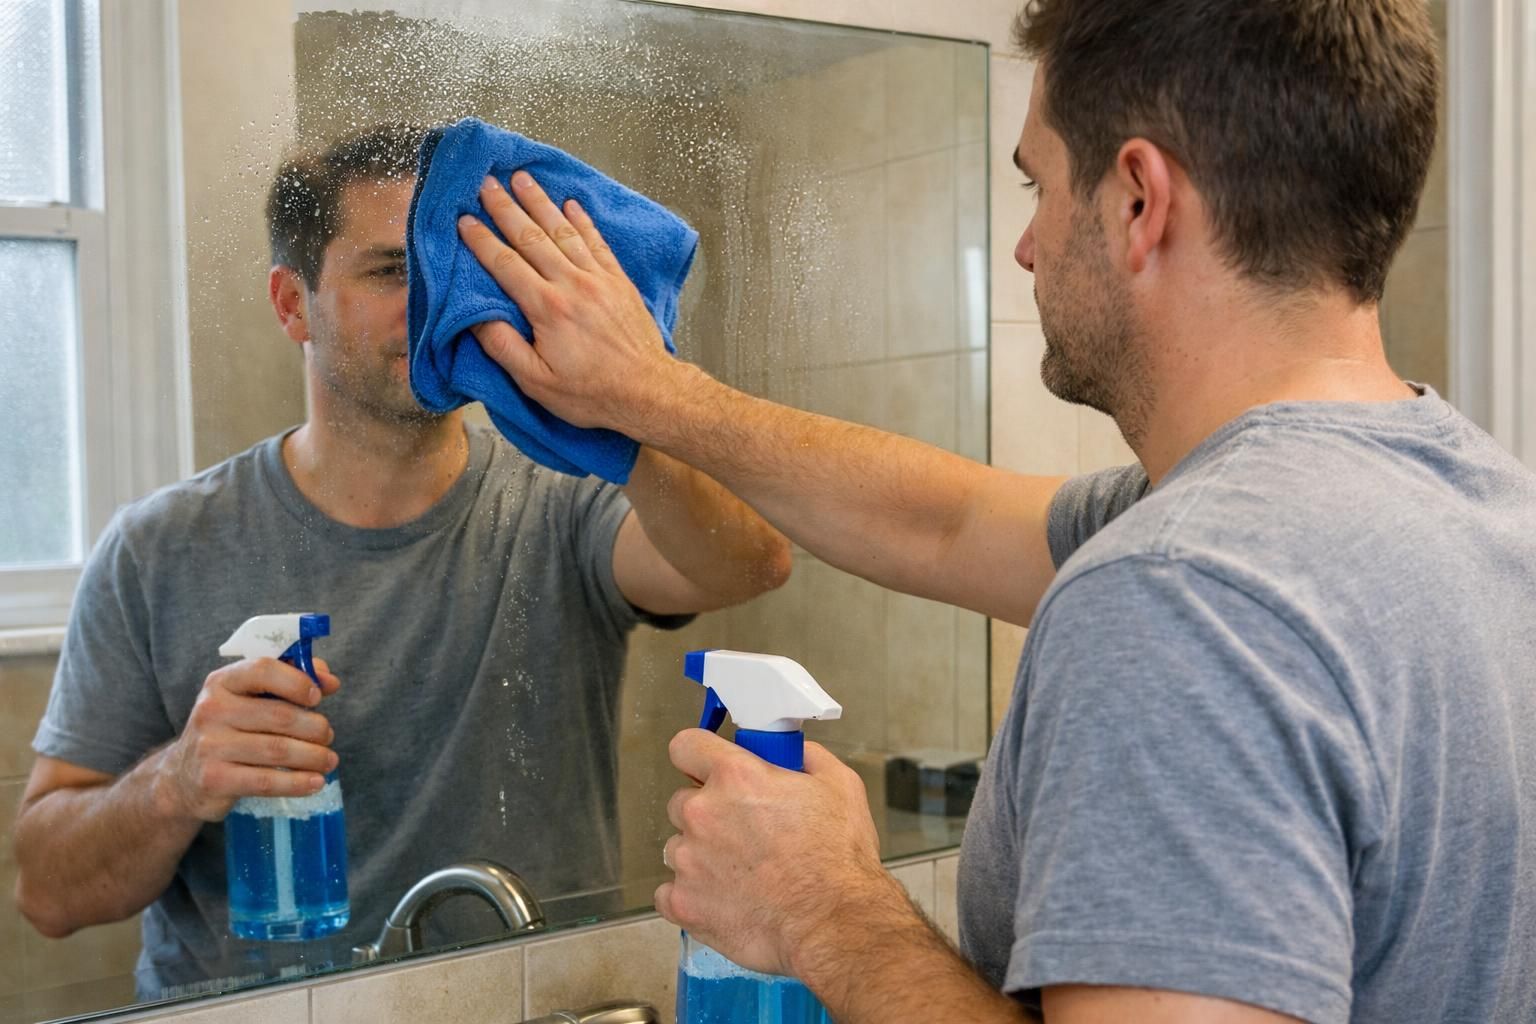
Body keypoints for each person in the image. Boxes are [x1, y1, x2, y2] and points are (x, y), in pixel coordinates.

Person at [447, 1, 1536, 1022]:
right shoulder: (1477, 506)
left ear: (1139, 200)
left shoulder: (1178, 595)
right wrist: (655, 394)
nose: (1027, 244)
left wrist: (827, 908)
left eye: (1039, 186)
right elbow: (945, 521)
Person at [13, 124, 791, 995]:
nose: (436, 304)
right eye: (391, 272)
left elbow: (747, 567)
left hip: (526, 1001)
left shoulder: (567, 495)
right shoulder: (156, 549)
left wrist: (626, 393)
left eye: (453, 267)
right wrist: (178, 781)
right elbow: (47, 893)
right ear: (290, 304)